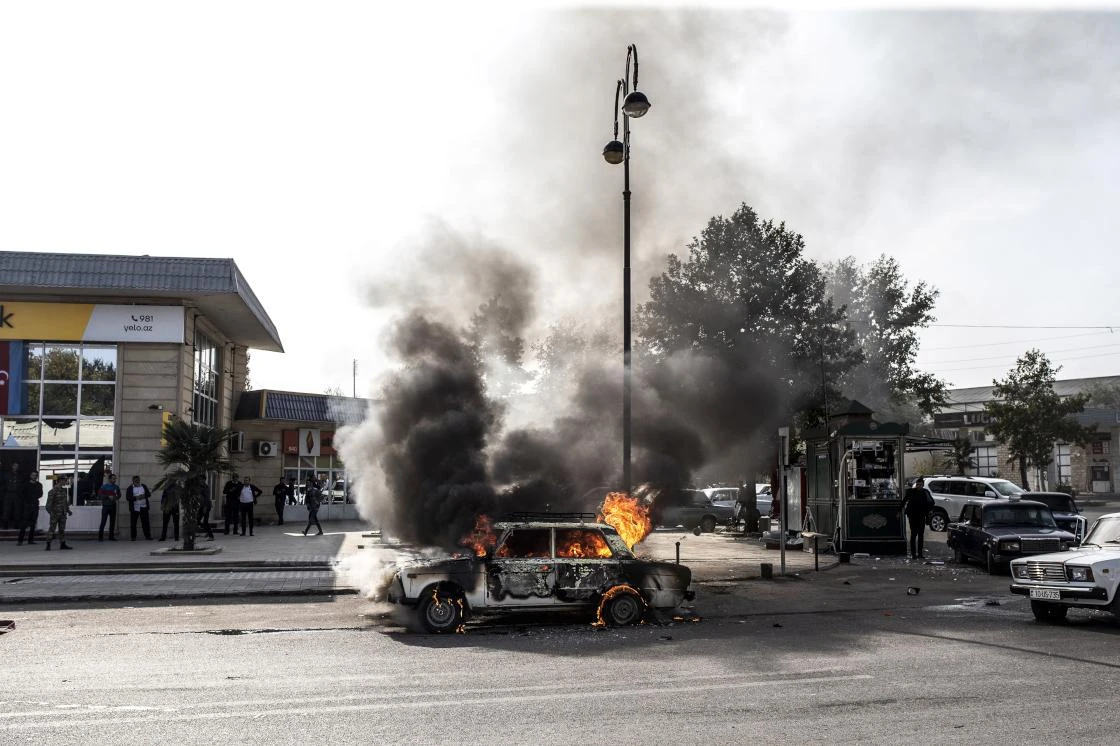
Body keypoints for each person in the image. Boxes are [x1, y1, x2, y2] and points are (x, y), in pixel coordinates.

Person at [900, 485, 935, 560]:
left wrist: (929, 511)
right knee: (914, 534)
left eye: (920, 485)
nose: (918, 486)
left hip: (920, 516)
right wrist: (899, 510)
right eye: (917, 484)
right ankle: (914, 554)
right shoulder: (912, 491)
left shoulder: (925, 492)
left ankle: (919, 554)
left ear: (922, 485)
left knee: (920, 535)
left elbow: (931, 502)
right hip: (913, 516)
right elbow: (904, 501)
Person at [44, 474, 73, 551]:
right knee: (52, 529)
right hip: (55, 513)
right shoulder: (53, 491)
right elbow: (48, 504)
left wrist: (68, 511)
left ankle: (63, 544)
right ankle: (48, 544)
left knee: (62, 529)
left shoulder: (63, 491)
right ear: (60, 480)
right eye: (64, 480)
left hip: (63, 513)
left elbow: (65, 503)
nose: (65, 482)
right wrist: (51, 512)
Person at [17, 470, 43, 545]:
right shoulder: (25, 484)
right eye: (33, 475)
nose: (34, 477)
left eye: (35, 475)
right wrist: (26, 500)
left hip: (35, 505)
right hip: (27, 506)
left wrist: (34, 497)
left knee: (33, 523)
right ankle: (20, 540)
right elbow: (21, 494)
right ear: (30, 476)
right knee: (24, 524)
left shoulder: (39, 485)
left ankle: (30, 540)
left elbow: (40, 494)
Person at [126, 475, 153, 541]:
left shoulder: (143, 486)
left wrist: (143, 496)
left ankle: (148, 536)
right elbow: (128, 498)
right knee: (133, 523)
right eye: (136, 480)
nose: (137, 481)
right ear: (133, 481)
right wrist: (136, 498)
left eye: (138, 480)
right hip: (135, 508)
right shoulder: (130, 488)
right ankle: (133, 537)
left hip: (144, 507)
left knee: (145, 523)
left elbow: (149, 494)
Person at [97, 474, 122, 541]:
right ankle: (100, 537)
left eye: (115, 478)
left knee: (112, 522)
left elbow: (119, 495)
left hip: (113, 506)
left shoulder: (116, 487)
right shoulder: (104, 486)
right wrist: (108, 496)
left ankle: (111, 537)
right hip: (106, 506)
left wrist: (115, 497)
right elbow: (99, 495)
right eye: (113, 478)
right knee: (103, 521)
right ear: (109, 479)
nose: (114, 480)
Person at [0, 461, 21, 530]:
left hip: (17, 494)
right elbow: (2, 484)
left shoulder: (20, 475)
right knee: (7, 510)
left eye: (17, 466)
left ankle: (16, 525)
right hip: (8, 494)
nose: (16, 467)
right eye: (15, 466)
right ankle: (5, 525)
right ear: (12, 466)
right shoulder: (6, 474)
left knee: (17, 510)